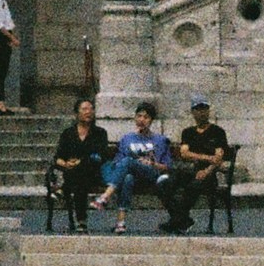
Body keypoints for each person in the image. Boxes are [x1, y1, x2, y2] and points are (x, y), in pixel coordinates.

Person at [90, 101, 172, 229]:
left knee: (128, 162)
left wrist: (152, 163)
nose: (142, 120)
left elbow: (167, 166)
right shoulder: (127, 138)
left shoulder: (160, 140)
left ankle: (105, 196)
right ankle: (120, 223)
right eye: (139, 116)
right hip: (131, 175)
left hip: (151, 174)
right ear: (135, 118)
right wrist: (133, 163)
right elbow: (118, 162)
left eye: (146, 117)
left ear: (151, 120)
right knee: (128, 177)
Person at [171, 98, 232, 229]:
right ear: (193, 112)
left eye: (204, 109)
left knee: (194, 185)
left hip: (211, 172)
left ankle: (178, 221)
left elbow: (218, 158)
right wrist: (207, 157)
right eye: (198, 109)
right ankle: (181, 219)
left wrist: (206, 170)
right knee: (168, 183)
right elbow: (184, 153)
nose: (202, 113)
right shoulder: (188, 132)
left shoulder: (217, 131)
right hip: (190, 169)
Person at [52, 98, 111, 231]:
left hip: (94, 171)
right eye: (84, 109)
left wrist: (80, 161)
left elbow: (100, 155)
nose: (88, 112)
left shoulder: (100, 133)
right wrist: (66, 163)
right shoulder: (68, 133)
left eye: (91, 109)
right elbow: (58, 157)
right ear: (77, 113)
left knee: (82, 170)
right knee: (79, 178)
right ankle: (81, 220)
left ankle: (63, 188)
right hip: (74, 173)